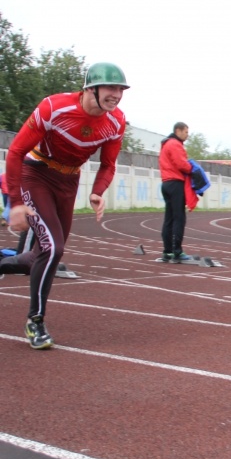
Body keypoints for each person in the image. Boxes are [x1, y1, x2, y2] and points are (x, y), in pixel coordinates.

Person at [0, 62, 128, 349]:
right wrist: (16, 202)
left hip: (68, 182)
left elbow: (108, 165)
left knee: (42, 256)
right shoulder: (53, 108)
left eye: (121, 89)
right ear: (90, 88)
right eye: (110, 88)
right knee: (53, 248)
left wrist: (97, 192)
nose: (117, 95)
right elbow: (17, 151)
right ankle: (36, 322)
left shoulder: (116, 121)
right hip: (37, 175)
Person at [159, 122, 193, 263]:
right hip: (175, 184)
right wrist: (192, 167)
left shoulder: (166, 144)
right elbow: (182, 164)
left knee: (169, 219)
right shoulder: (175, 144)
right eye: (186, 132)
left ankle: (167, 251)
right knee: (179, 218)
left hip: (166, 183)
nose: (187, 134)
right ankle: (177, 251)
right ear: (178, 131)